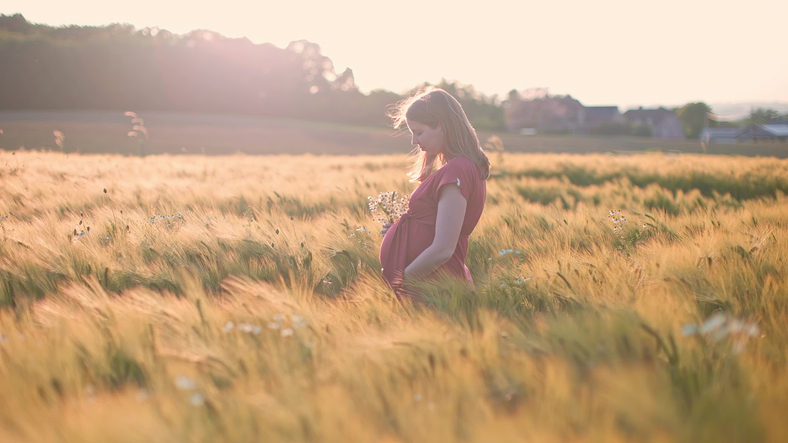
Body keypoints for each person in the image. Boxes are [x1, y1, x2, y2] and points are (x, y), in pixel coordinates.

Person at [379, 87, 490, 297]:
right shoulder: (461, 168)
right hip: (431, 285)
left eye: (418, 132)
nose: (414, 141)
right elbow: (437, 227)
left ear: (441, 126)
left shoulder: (457, 171)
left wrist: (401, 283)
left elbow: (443, 249)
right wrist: (400, 231)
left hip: (435, 288)